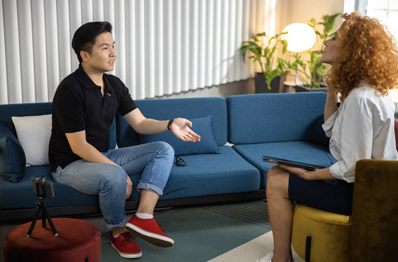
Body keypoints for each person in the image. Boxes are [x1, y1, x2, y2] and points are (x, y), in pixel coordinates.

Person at [49, 21, 201, 259]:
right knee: (115, 174)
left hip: (103, 153)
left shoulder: (114, 85)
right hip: (70, 164)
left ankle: (143, 217)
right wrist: (117, 170)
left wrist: (170, 123)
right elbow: (78, 146)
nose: (113, 53)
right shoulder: (70, 89)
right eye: (105, 48)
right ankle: (119, 231)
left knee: (163, 149)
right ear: (85, 55)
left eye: (113, 46)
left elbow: (140, 123)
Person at [257, 13, 398, 262]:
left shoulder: (360, 100)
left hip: (364, 195)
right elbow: (333, 132)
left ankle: (281, 259)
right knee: (279, 172)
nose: (325, 42)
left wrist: (311, 174)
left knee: (276, 180)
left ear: (351, 49)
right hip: (367, 186)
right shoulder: (366, 90)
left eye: (334, 38)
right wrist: (333, 86)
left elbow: (353, 168)